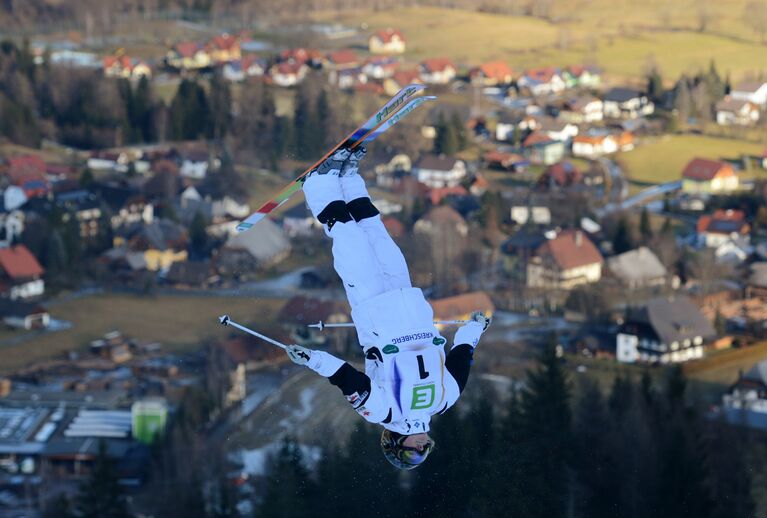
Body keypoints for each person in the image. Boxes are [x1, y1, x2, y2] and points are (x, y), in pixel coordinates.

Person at [285, 147, 490, 470]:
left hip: (376, 313)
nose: (420, 449)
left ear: (394, 441)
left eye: (411, 453)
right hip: (411, 307)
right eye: (422, 454)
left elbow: (348, 380)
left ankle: (320, 184)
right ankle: (348, 179)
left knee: (351, 242)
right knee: (378, 236)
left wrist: (313, 359)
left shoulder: (385, 413)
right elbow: (462, 356)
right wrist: (475, 328)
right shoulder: (444, 401)